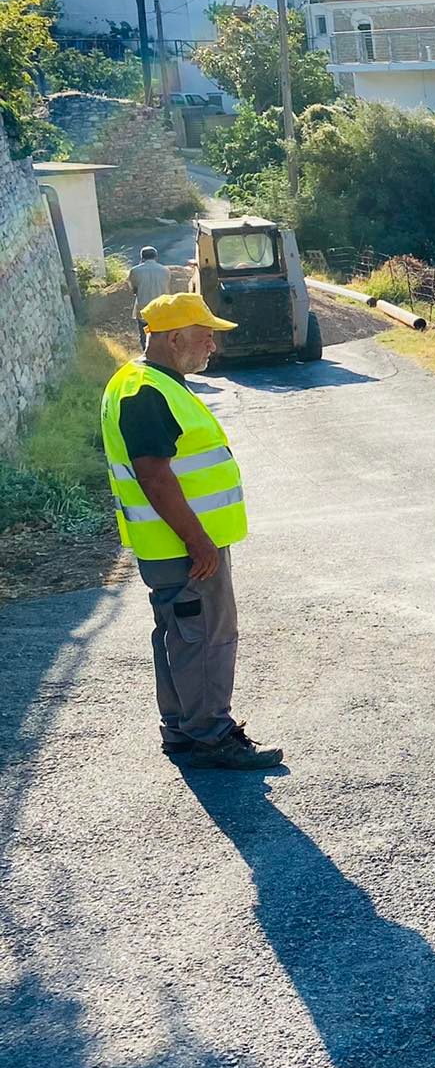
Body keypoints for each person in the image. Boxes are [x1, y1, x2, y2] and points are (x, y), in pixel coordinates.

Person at [102, 291, 282, 769]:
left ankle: (182, 729)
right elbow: (154, 473)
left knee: (180, 635)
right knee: (204, 636)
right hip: (184, 546)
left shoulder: (147, 382)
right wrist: (197, 540)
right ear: (174, 337)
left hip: (172, 543)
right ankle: (212, 736)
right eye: (205, 337)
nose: (212, 347)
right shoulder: (147, 390)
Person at [129, 246, 171, 346]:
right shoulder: (165, 270)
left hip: (144, 309)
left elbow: (134, 290)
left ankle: (146, 353)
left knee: (144, 336)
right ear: (156, 257)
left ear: (142, 257)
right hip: (161, 309)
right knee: (161, 335)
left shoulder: (135, 271)